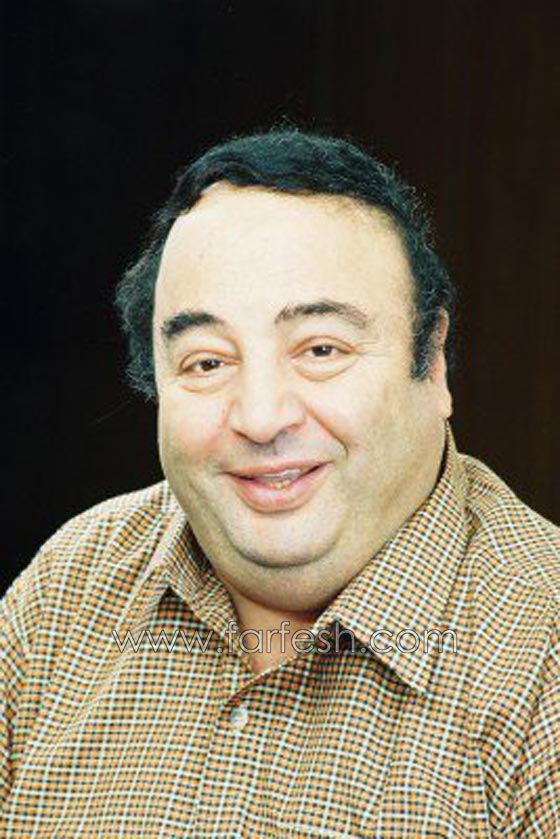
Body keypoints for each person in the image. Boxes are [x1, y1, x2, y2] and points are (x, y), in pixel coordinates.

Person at [1, 129, 558, 838]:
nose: (261, 417)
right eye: (207, 362)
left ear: (434, 360)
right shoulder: (66, 594)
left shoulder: (544, 663)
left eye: (320, 349)